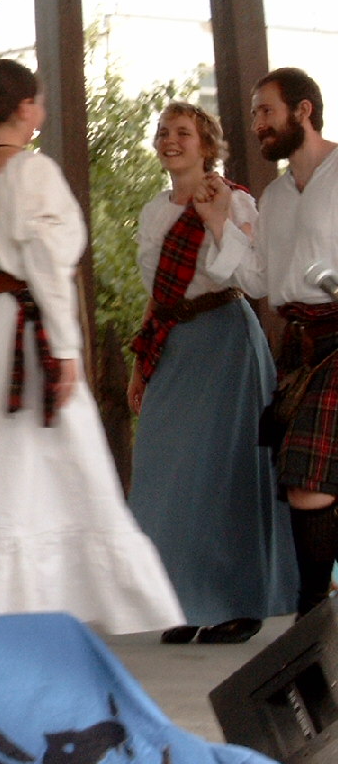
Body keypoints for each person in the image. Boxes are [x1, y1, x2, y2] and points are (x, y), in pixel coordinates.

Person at [0, 58, 183, 634]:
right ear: (24, 108)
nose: (41, 110)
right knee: (70, 465)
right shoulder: (33, 172)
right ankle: (95, 605)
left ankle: (10, 614)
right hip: (30, 335)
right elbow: (47, 264)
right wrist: (64, 349)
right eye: (38, 101)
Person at [126, 102, 295, 644]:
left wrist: (215, 219)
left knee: (226, 472)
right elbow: (158, 296)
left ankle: (238, 603)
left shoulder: (234, 198)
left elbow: (253, 276)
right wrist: (140, 367)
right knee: (163, 471)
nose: (169, 140)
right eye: (163, 132)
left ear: (206, 145)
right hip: (174, 343)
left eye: (183, 132)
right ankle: (184, 601)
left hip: (225, 338)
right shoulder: (154, 210)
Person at [196, 67, 338, 616]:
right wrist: (218, 223)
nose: (258, 123)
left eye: (266, 111)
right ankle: (315, 618)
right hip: (300, 347)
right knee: (306, 480)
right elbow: (258, 280)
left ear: (303, 111)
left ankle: (311, 615)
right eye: (255, 113)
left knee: (309, 479)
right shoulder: (275, 197)